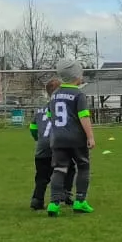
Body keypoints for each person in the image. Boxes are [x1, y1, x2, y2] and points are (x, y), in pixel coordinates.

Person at [45, 61, 95, 217]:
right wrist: (90, 137)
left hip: (58, 138)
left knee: (59, 169)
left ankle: (53, 204)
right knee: (83, 166)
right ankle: (80, 201)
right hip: (76, 138)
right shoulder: (78, 95)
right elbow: (84, 117)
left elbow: (50, 115)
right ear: (76, 76)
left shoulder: (54, 94)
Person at [29, 79, 76, 211]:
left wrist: (37, 139)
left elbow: (32, 127)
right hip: (58, 144)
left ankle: (37, 199)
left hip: (42, 147)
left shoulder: (40, 110)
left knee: (42, 176)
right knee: (69, 167)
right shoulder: (64, 107)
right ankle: (65, 192)